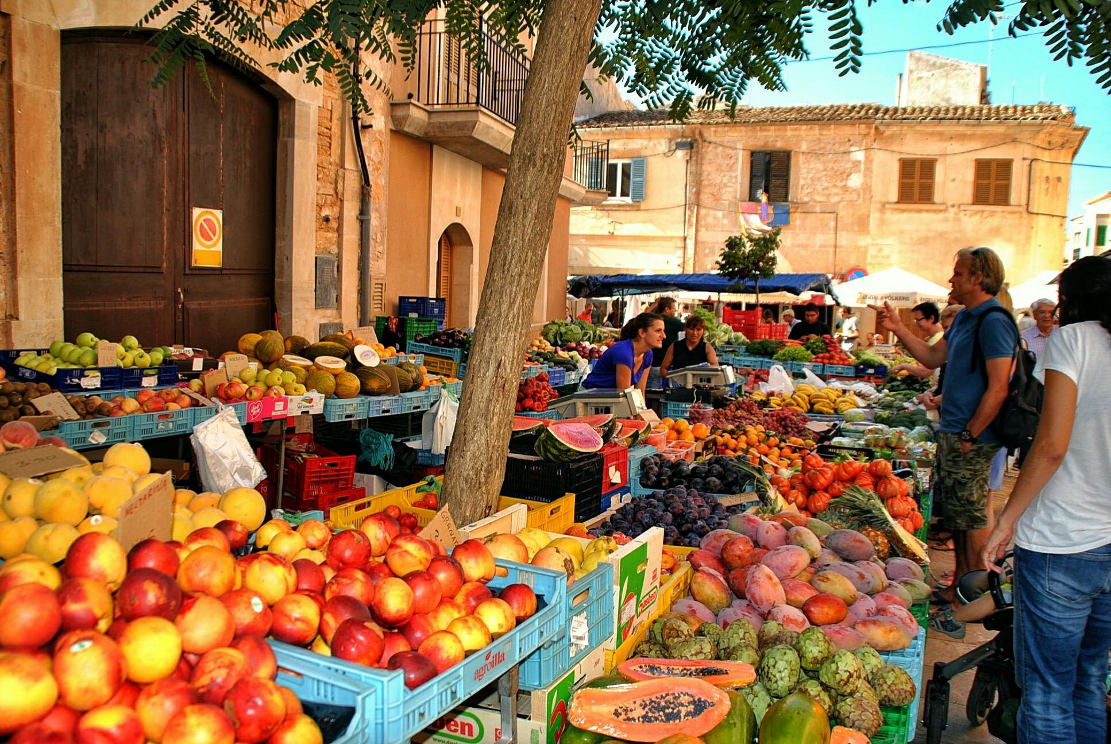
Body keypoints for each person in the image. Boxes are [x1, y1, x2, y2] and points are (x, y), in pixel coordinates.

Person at [981, 256, 1111, 744]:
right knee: (1089, 679)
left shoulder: (1073, 341)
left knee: (1048, 690)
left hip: (1063, 542)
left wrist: (1006, 520)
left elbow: (1052, 445)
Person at [875, 246, 1015, 604]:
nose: (951, 278)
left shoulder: (994, 320)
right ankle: (961, 586)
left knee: (970, 516)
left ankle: (974, 589)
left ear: (977, 277)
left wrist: (971, 433)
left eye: (958, 272)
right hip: (953, 430)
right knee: (958, 515)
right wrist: (897, 329)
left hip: (973, 435)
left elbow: (1000, 385)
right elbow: (933, 356)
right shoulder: (968, 318)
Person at [581, 313, 665, 394]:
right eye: (658, 331)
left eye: (663, 331)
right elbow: (624, 394)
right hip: (588, 399)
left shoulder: (648, 354)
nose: (663, 336)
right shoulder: (624, 353)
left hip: (610, 401)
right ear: (642, 332)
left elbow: (640, 392)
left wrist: (644, 408)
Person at [891, 302, 945, 380]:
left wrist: (903, 366)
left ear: (931, 318)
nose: (916, 323)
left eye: (918, 320)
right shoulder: (934, 337)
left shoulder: (938, 340)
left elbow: (925, 371)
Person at [659, 315, 720, 380]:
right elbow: (663, 369)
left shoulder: (707, 348)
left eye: (698, 329)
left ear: (703, 331)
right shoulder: (675, 346)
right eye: (691, 329)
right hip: (678, 386)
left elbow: (715, 369)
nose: (694, 333)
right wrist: (673, 379)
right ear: (685, 329)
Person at [1021, 298, 1056, 363]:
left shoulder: (1061, 333)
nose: (1047, 315)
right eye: (1042, 312)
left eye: (1051, 312)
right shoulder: (1024, 337)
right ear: (1034, 315)